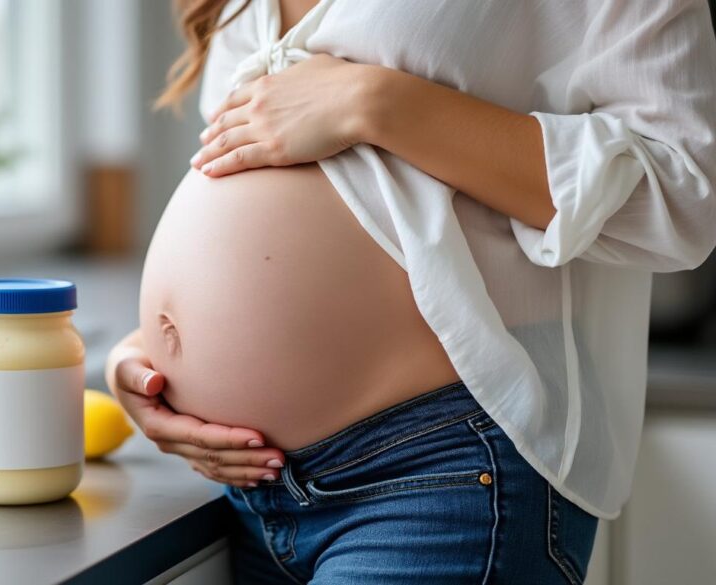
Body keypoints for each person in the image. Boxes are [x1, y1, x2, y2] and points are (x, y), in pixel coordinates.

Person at [106, 0, 716, 582]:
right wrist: (147, 357)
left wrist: (378, 101)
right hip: (251, 484)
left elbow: (684, 197)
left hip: (438, 471)